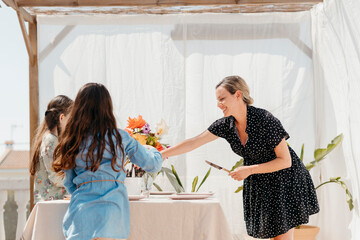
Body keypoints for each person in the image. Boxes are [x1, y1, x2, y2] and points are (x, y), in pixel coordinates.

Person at [161, 75, 319, 240]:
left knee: (281, 238)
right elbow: (194, 142)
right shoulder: (226, 125)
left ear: (237, 95)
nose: (218, 104)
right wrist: (161, 154)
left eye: (222, 98)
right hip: (260, 181)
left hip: (285, 178)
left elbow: (285, 161)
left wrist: (249, 170)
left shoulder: (265, 120)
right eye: (217, 100)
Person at [53, 83, 162, 240]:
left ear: (78, 109)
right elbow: (152, 165)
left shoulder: (72, 140)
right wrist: (153, 150)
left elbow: (70, 184)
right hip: (112, 215)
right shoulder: (120, 137)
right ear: (107, 108)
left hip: (81, 215)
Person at [30, 95, 73, 204]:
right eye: (71, 118)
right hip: (52, 205)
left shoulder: (51, 140)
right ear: (62, 118)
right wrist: (77, 181)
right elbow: (55, 176)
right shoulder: (50, 141)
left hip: (52, 203)